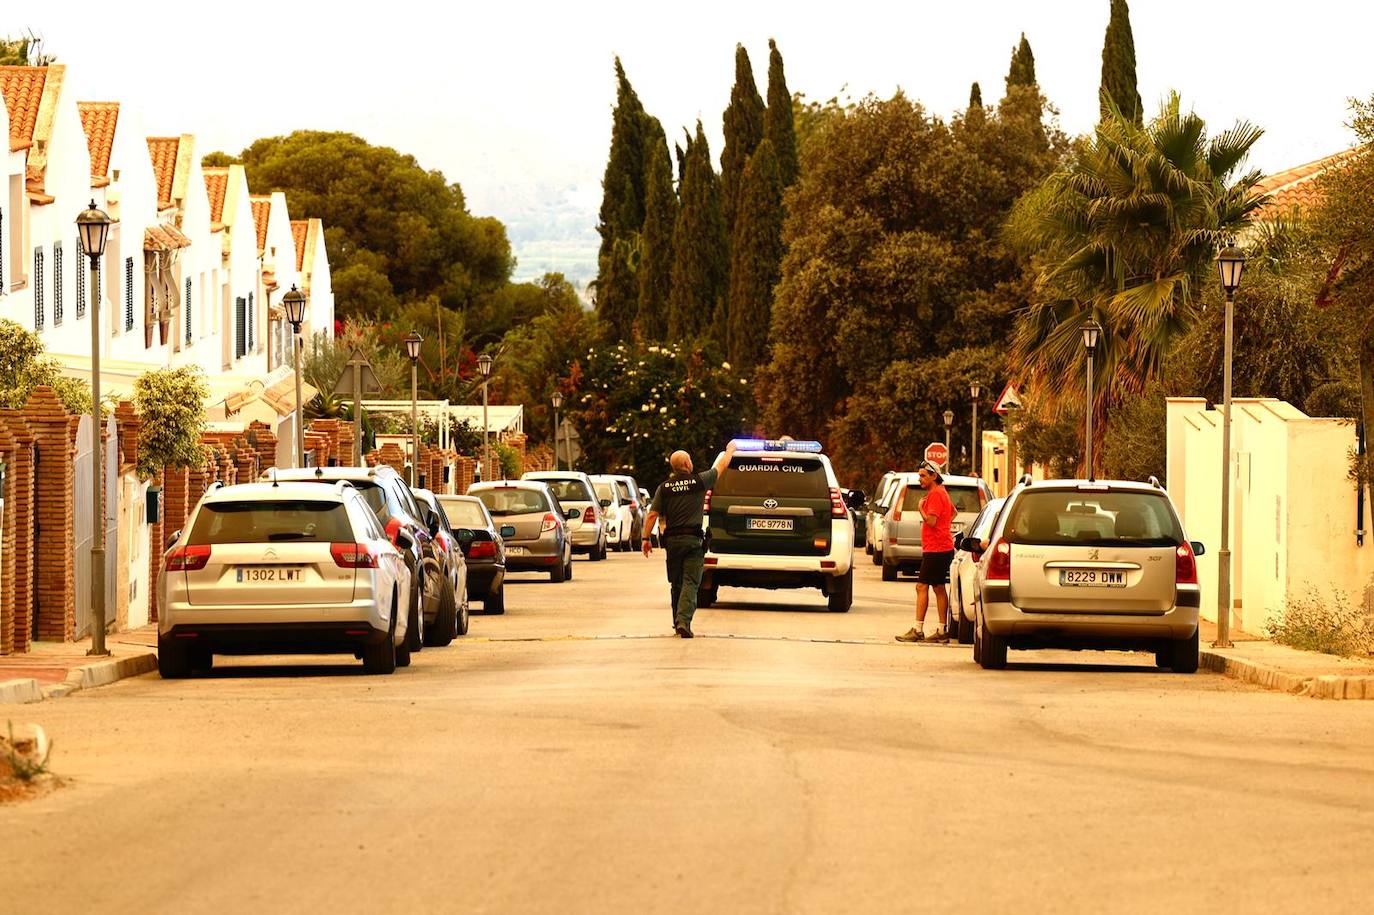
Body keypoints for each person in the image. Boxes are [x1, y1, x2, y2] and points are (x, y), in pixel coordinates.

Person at [642, 440, 738, 638]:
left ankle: (677, 620)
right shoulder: (699, 482)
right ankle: (683, 621)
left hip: (673, 543)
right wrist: (730, 449)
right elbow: (722, 466)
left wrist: (645, 539)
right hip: (693, 542)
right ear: (687, 465)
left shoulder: (664, 488)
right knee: (690, 582)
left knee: (676, 583)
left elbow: (652, 515)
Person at [897, 461, 956, 643]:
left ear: (933, 476)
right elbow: (953, 513)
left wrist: (921, 509)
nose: (920, 479)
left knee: (921, 586)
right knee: (938, 588)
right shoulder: (941, 493)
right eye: (919, 475)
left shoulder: (936, 494)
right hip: (940, 547)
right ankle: (941, 630)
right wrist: (943, 526)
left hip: (937, 549)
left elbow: (930, 521)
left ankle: (918, 629)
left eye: (923, 475)